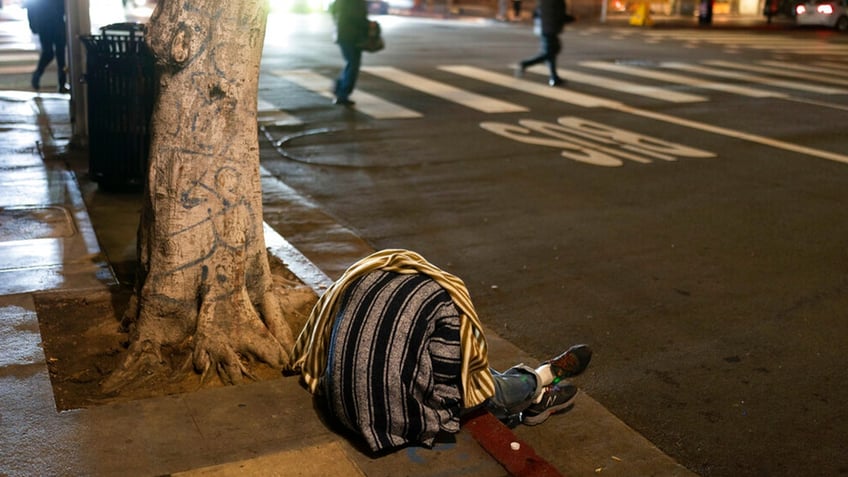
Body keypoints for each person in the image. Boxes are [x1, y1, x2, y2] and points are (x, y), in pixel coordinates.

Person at [288, 249, 592, 453]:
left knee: (462, 366)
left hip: (338, 404)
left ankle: (537, 396)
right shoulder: (445, 300)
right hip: (391, 421)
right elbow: (454, 383)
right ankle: (541, 379)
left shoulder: (364, 275)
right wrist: (457, 408)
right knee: (482, 385)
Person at [516, 0, 567, 87]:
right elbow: (557, 13)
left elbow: (537, 12)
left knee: (551, 51)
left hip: (545, 27)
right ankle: (525, 64)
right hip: (549, 27)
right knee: (551, 51)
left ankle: (554, 77)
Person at [330, 0, 369, 106]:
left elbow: (333, 9)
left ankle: (340, 90)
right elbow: (356, 17)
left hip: (344, 34)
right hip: (352, 36)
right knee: (353, 64)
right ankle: (342, 93)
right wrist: (368, 24)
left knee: (351, 63)